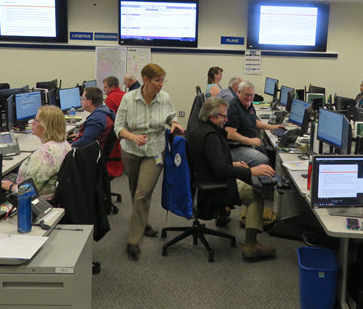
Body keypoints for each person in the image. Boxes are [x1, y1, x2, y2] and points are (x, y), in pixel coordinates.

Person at [188, 97, 277, 260]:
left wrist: (233, 163)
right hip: (214, 183)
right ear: (212, 116)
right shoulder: (211, 137)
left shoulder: (198, 129)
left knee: (244, 175)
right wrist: (252, 171)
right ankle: (250, 246)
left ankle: (223, 212)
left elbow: (211, 161)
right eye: (223, 116)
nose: (226, 119)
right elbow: (221, 170)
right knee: (255, 196)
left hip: (202, 178)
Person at [114, 63, 184, 260]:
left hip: (155, 151)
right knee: (136, 191)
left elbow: (171, 117)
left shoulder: (165, 98)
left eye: (162, 80)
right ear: (145, 80)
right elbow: (118, 127)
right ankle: (143, 223)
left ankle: (133, 240)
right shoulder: (129, 99)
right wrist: (131, 136)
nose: (161, 84)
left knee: (142, 193)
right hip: (131, 151)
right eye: (157, 80)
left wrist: (175, 125)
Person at [1, 105, 71, 199]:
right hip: (56, 201)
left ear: (46, 126)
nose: (32, 123)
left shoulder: (44, 154)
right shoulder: (65, 144)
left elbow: (28, 191)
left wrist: (10, 186)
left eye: (37, 121)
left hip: (37, 203)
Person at [225, 81, 285, 167]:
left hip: (247, 143)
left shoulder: (248, 105)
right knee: (264, 160)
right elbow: (230, 133)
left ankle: (270, 177)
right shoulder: (233, 107)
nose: (249, 98)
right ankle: (259, 178)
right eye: (247, 95)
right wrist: (250, 141)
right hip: (235, 147)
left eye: (251, 95)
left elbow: (254, 121)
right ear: (238, 92)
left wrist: (273, 127)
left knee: (271, 152)